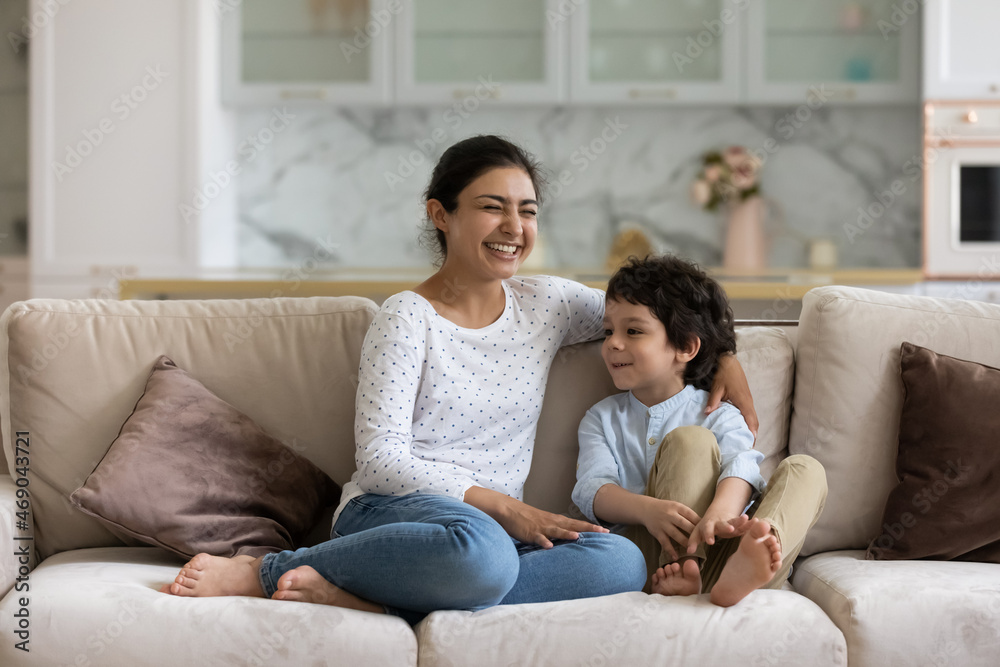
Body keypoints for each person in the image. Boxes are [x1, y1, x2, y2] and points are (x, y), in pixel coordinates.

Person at [161, 136, 760, 623]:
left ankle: (380, 603)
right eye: (492, 206)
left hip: (493, 535)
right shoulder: (406, 317)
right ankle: (264, 571)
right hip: (396, 513)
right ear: (440, 215)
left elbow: (658, 312)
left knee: (621, 562)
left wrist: (721, 353)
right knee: (484, 555)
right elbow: (378, 458)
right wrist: (502, 509)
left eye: (527, 210)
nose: (514, 226)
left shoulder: (547, 303)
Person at [572, 254, 828, 606]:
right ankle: (683, 568)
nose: (613, 343)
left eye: (633, 331)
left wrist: (721, 515)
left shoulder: (719, 413)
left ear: (686, 348)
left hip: (726, 551)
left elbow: (742, 467)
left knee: (807, 469)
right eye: (608, 332)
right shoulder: (601, 418)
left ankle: (756, 556)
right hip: (652, 556)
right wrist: (646, 510)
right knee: (689, 442)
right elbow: (592, 490)